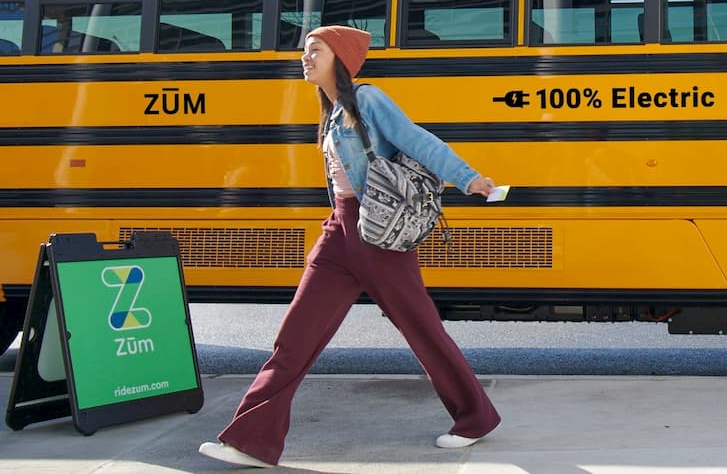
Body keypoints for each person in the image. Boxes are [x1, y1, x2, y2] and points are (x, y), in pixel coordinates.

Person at [198, 26, 501, 468]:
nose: (305, 57)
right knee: (295, 338)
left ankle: (474, 418)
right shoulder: (330, 113)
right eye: (304, 51)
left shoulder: (368, 100)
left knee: (422, 329)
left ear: (338, 58)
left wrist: (468, 177)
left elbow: (417, 140)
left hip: (377, 234)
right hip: (339, 233)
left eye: (314, 51)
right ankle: (252, 440)